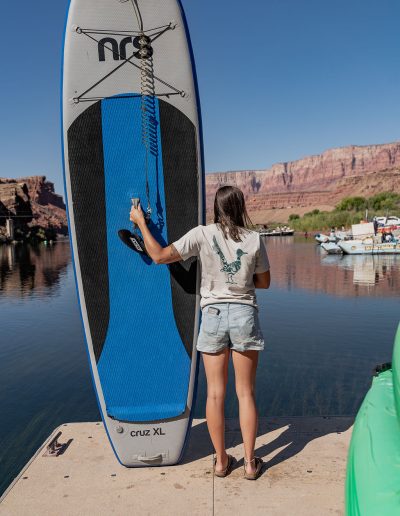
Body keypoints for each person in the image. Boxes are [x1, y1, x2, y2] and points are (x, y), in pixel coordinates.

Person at [130, 185, 271, 480]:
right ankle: (249, 463)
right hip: (245, 314)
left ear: (216, 209)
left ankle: (221, 462)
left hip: (214, 316)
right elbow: (265, 282)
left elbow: (159, 256)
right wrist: (238, 282)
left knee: (216, 394)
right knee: (246, 393)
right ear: (241, 207)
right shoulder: (255, 238)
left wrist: (141, 222)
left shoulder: (202, 234)